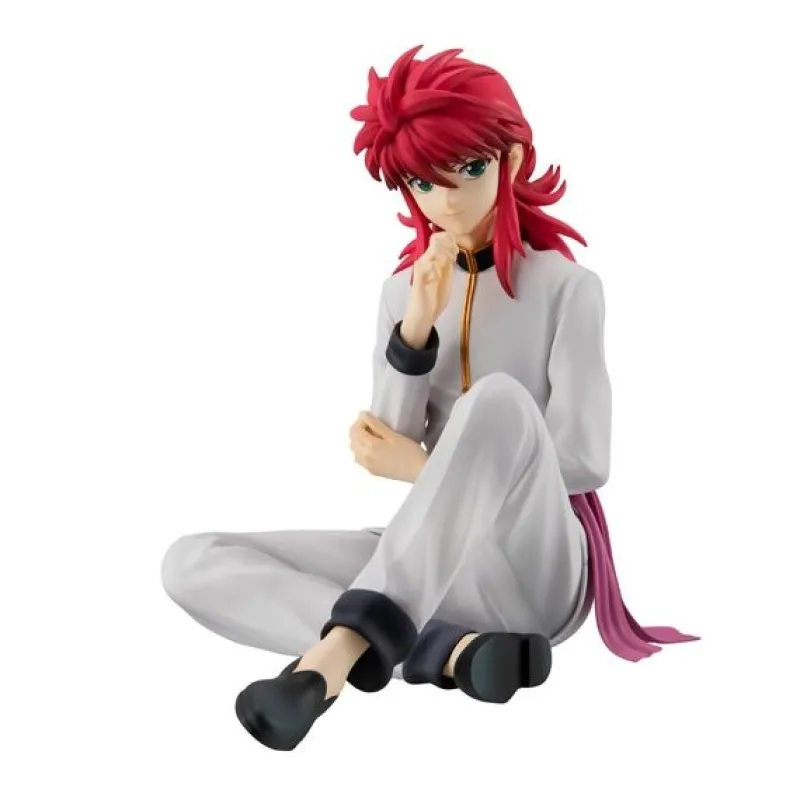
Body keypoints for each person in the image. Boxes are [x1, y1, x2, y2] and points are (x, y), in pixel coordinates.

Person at [160, 44, 698, 752]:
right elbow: (383, 435)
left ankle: (330, 660)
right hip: (437, 572)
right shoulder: (401, 294)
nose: (444, 201)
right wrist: (416, 324)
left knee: (497, 401)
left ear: (511, 160)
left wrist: (426, 467)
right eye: (420, 182)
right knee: (191, 561)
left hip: (540, 565)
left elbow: (585, 458)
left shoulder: (567, 288)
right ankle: (447, 652)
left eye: (467, 170)